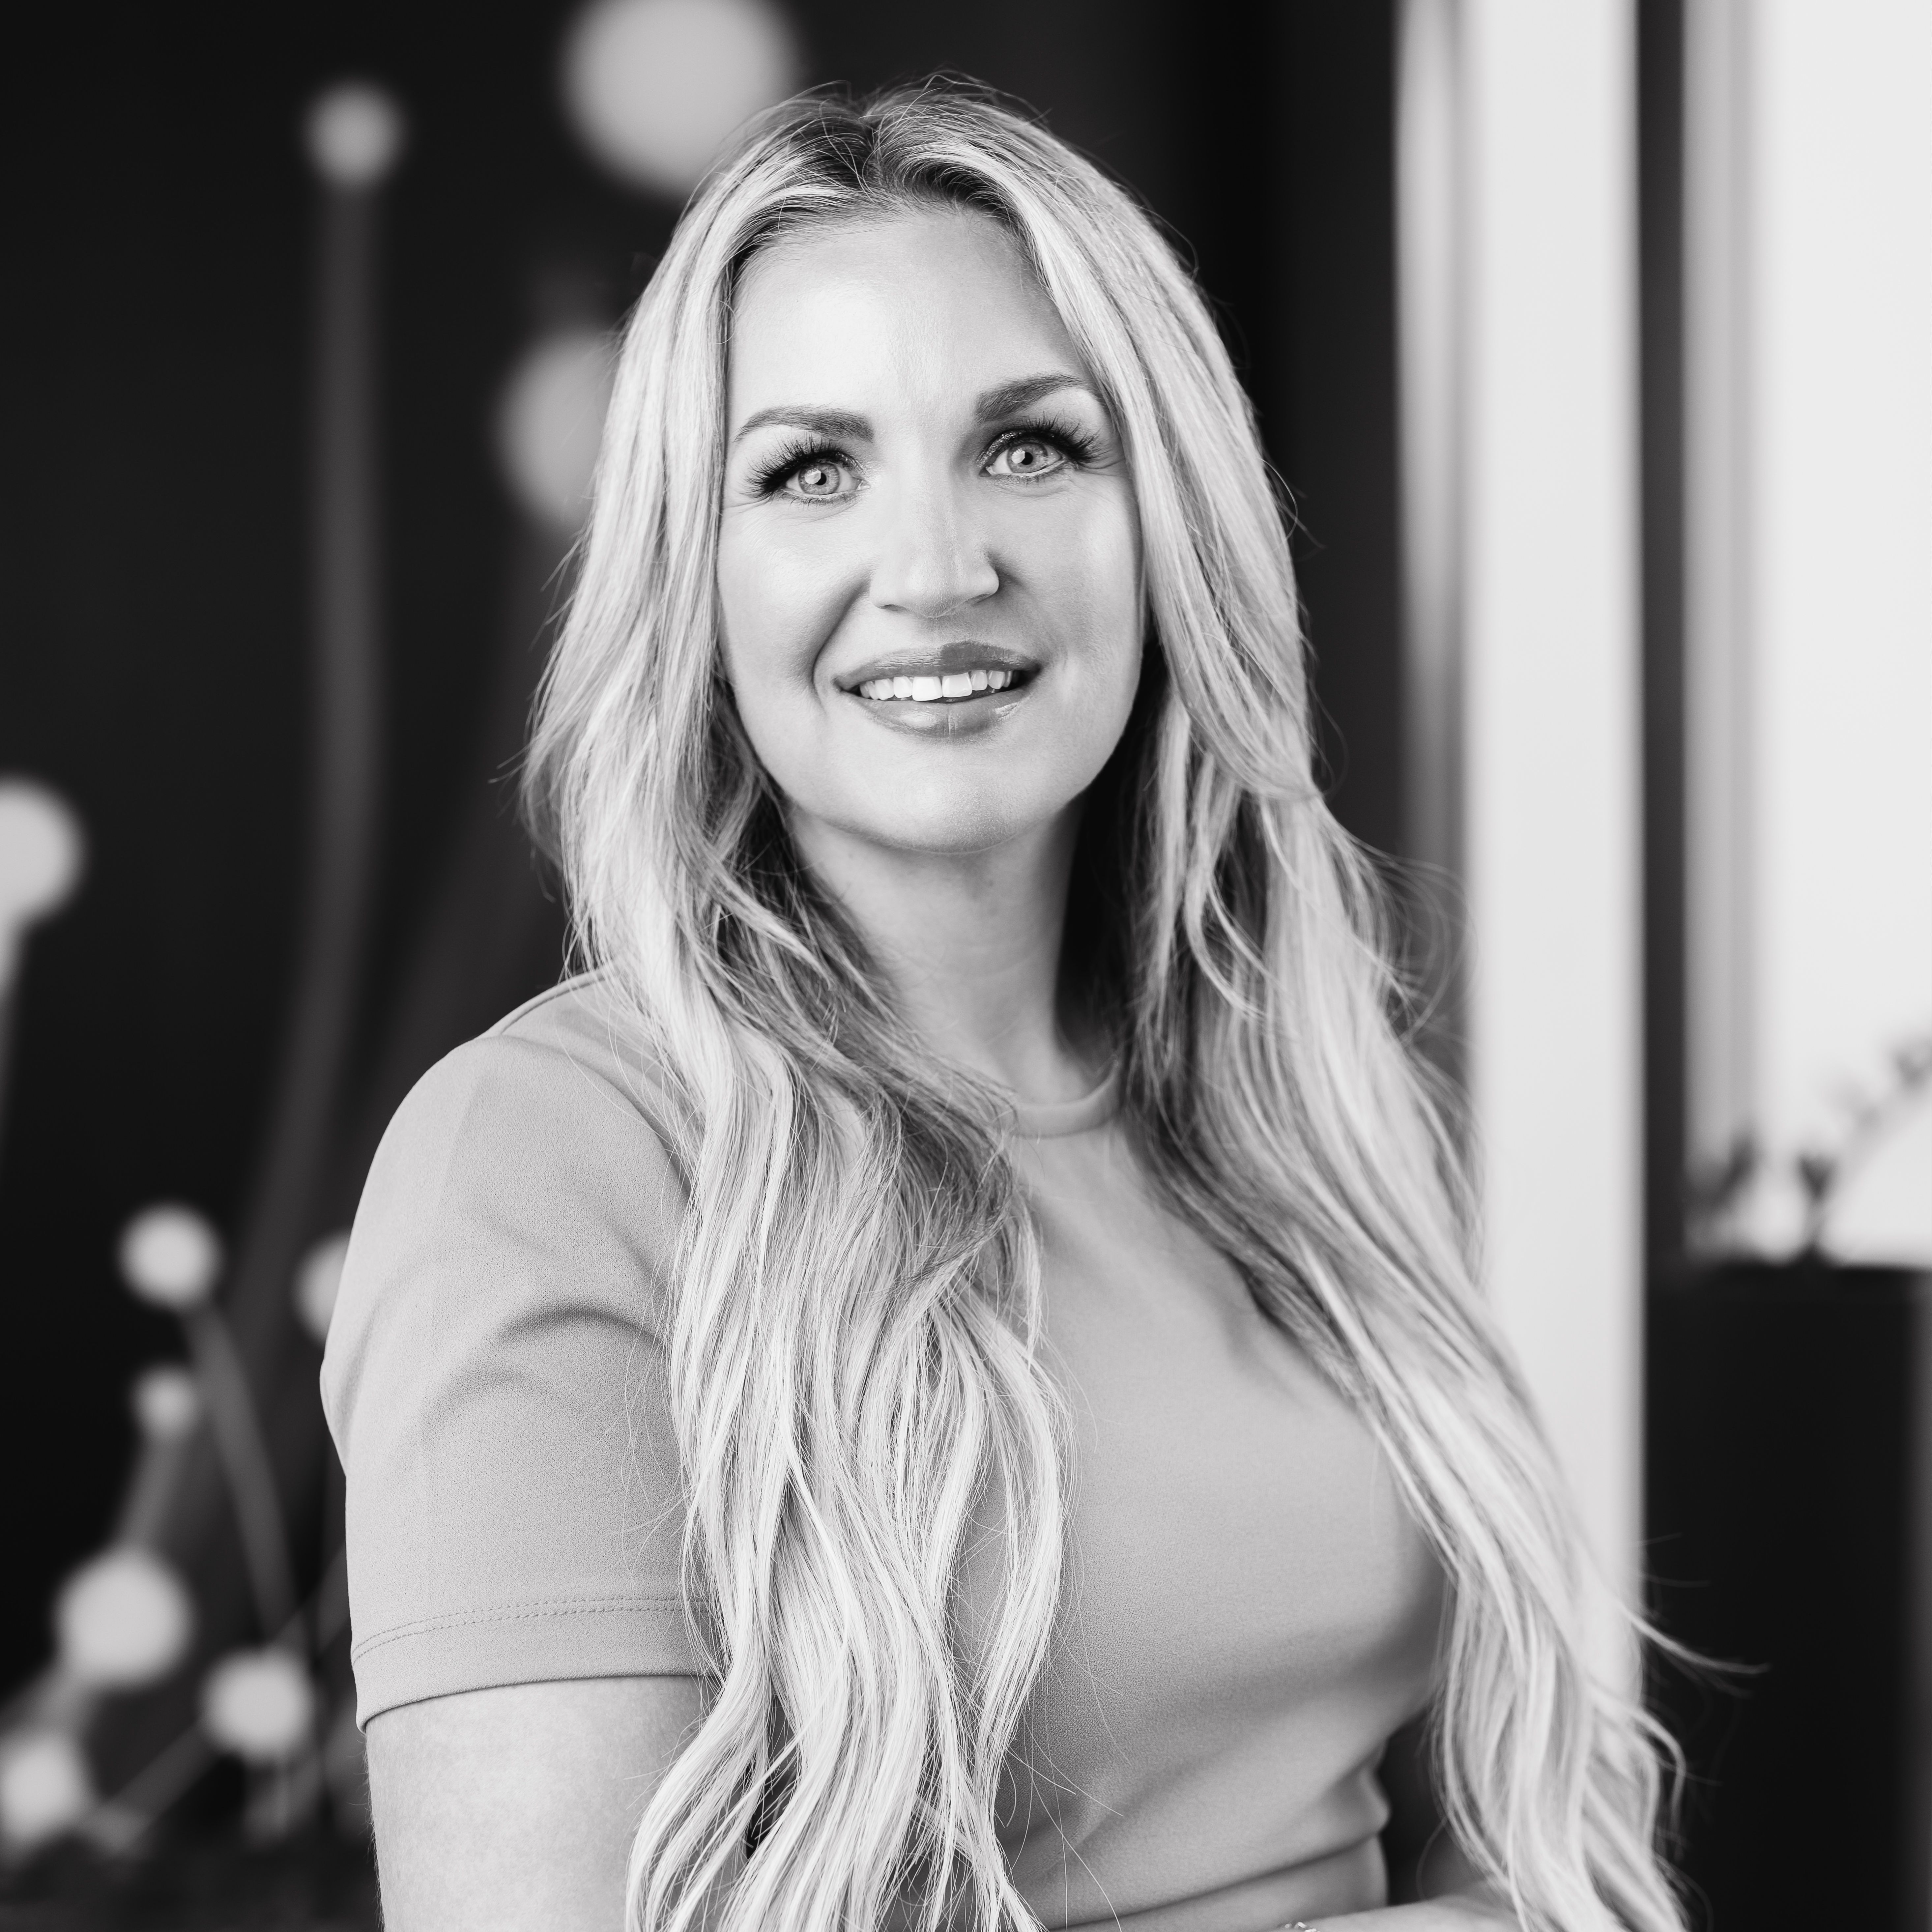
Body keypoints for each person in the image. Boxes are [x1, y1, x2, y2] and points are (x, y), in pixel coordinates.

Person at [322, 81, 1685, 1932]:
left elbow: (1489, 1824)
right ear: (692, 576)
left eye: (1031, 447)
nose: (940, 568)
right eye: (812, 471)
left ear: (1167, 520)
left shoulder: (1297, 1108)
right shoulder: (545, 1159)